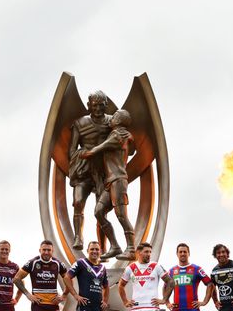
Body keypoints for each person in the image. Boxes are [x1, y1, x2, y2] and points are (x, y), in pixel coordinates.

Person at [81, 109, 136, 260]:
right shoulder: (121, 134)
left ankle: (131, 248)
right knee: (99, 211)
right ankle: (115, 246)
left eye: (115, 116)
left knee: (121, 215)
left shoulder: (118, 134)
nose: (112, 118)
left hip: (118, 180)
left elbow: (101, 147)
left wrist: (87, 152)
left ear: (119, 121)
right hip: (110, 181)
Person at [68, 90, 112, 250]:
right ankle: (78, 237)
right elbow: (72, 150)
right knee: (78, 202)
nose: (98, 109)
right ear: (89, 106)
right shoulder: (80, 123)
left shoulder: (112, 122)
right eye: (95, 105)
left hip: (104, 171)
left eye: (101, 105)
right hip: (84, 169)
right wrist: (83, 156)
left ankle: (103, 247)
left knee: (101, 210)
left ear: (106, 106)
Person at [13, 240, 73, 311]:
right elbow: (16, 279)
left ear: (52, 251)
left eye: (49, 250)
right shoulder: (33, 263)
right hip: (38, 304)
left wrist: (64, 295)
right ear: (40, 250)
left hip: (53, 304)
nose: (46, 252)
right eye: (44, 250)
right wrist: (28, 295)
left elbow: (69, 279)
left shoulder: (58, 263)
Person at [118, 242, 174, 311]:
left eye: (150, 252)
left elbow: (170, 282)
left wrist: (164, 299)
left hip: (152, 307)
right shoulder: (130, 267)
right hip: (136, 307)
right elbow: (121, 285)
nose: (149, 254)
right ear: (139, 252)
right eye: (146, 252)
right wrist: (125, 301)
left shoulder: (156, 266)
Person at [65, 241, 109, 311]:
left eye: (97, 249)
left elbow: (106, 287)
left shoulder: (103, 268)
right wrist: (75, 295)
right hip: (84, 306)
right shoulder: (80, 263)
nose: (94, 251)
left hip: (98, 308)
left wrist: (105, 301)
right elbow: (67, 277)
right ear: (87, 251)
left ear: (100, 251)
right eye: (92, 249)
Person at [167, 243, 211, 311]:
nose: (182, 254)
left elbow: (210, 284)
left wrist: (204, 302)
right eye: (180, 252)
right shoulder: (172, 271)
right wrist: (167, 303)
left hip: (193, 309)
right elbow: (165, 287)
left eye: (185, 252)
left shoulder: (197, 269)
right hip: (176, 309)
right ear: (177, 254)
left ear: (189, 253)